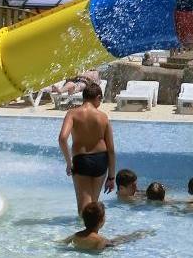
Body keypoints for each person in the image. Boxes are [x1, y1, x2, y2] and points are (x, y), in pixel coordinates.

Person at [58, 82, 116, 214]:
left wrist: (69, 162)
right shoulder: (103, 117)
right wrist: (112, 177)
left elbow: (62, 139)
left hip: (81, 160)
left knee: (83, 209)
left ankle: (85, 233)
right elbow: (111, 150)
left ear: (84, 97)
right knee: (93, 204)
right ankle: (94, 232)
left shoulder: (72, 114)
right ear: (98, 97)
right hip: (101, 160)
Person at [64, 201, 147, 251]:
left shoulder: (76, 236)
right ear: (101, 221)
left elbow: (62, 243)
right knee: (120, 240)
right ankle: (139, 234)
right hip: (101, 247)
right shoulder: (101, 240)